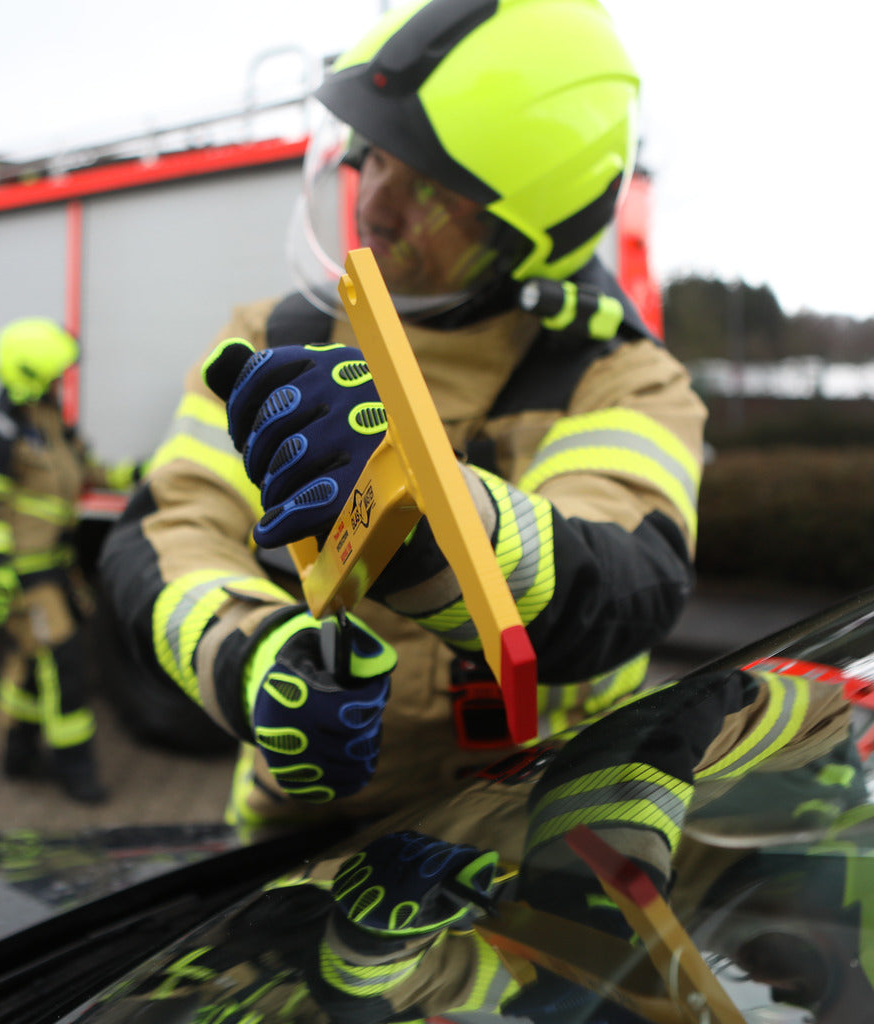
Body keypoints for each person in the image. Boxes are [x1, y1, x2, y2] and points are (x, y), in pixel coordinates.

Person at [99, 0, 708, 831]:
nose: (377, 203)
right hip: (294, 854)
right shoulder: (276, 336)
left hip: (537, 849)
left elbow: (622, 583)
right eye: (376, 156)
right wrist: (251, 655)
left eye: (433, 189)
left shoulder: (626, 380)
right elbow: (165, 531)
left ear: (524, 235)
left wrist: (415, 509)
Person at [91, 666, 870, 1022]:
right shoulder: (818, 810)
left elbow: (426, 987)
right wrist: (620, 809)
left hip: (202, 936)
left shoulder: (588, 1005)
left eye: (783, 1000)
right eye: (803, 988)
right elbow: (816, 709)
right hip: (280, 826)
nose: (771, 982)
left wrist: (367, 945)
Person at [0, 317, 140, 804]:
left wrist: (136, 474)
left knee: (30, 656)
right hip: (26, 572)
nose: (61, 381)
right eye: (53, 373)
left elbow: (85, 467)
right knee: (64, 662)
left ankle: (17, 753)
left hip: (56, 565)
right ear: (29, 374)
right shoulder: (0, 433)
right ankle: (74, 765)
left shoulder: (46, 415)